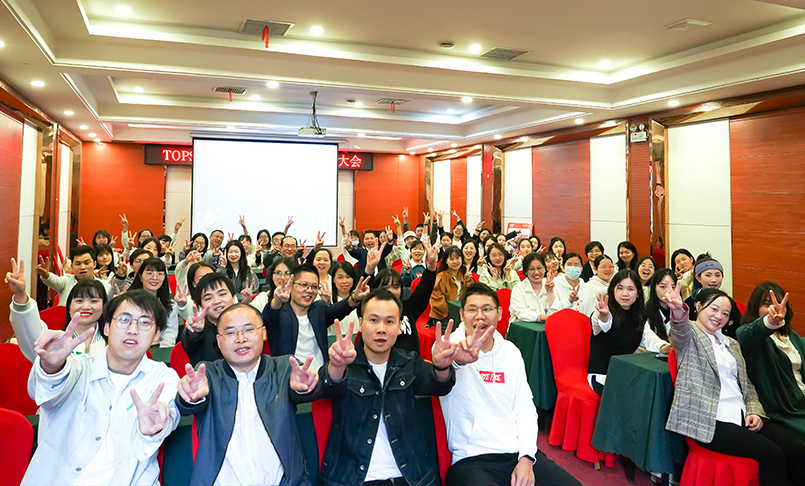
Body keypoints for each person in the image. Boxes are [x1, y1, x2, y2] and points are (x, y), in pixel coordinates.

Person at [22, 290, 180, 486]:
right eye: (124, 320)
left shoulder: (164, 378)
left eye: (145, 322)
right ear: (106, 328)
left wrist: (155, 427)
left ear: (157, 335)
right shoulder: (78, 367)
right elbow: (48, 390)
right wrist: (52, 366)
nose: (133, 329)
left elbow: (168, 411)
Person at [317, 289, 467, 486]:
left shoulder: (409, 362)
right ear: (360, 323)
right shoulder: (345, 364)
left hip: (410, 476)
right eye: (373, 320)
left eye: (389, 321)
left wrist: (441, 366)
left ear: (399, 326)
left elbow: (439, 385)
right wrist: (336, 366)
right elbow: (327, 385)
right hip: (355, 478)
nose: (381, 329)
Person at [441, 283, 582, 486]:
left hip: (515, 453)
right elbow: (442, 367)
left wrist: (526, 458)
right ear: (462, 314)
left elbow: (525, 408)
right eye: (472, 309)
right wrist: (456, 360)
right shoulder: (451, 346)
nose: (480, 315)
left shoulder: (511, 351)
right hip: (472, 459)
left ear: (499, 313)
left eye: (487, 309)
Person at [666, 287, 805, 486]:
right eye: (713, 309)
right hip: (710, 419)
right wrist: (678, 309)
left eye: (725, 313)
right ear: (697, 307)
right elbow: (680, 328)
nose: (719, 316)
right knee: (772, 455)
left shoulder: (731, 343)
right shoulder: (691, 339)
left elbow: (746, 384)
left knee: (796, 449)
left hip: (741, 415)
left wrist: (754, 411)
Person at [175, 303, 321, 486]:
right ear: (219, 341)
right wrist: (189, 397)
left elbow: (307, 391)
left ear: (264, 333)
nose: (241, 338)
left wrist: (304, 387)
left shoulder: (284, 367)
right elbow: (185, 404)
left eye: (249, 329)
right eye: (230, 333)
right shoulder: (208, 374)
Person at [262, 266, 370, 370]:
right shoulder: (279, 313)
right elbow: (269, 316)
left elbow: (340, 309)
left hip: (321, 378)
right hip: (288, 379)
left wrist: (355, 297)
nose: (309, 290)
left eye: (314, 287)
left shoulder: (318, 309)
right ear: (291, 286)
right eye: (304, 285)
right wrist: (277, 300)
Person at [7, 259, 109, 361]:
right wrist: (20, 295)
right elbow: (31, 335)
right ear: (69, 307)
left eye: (94, 301)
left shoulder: (113, 342)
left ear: (104, 307)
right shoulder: (55, 342)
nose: (86, 306)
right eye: (79, 301)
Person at [738, 282, 805, 438]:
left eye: (779, 304)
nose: (774, 308)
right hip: (783, 411)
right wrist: (770, 321)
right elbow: (745, 335)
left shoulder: (792, 337)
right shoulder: (754, 337)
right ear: (756, 307)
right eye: (766, 304)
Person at [588, 270, 669, 394]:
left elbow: (649, 338)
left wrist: (665, 347)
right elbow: (602, 324)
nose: (625, 293)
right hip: (602, 376)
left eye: (630, 289)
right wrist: (603, 315)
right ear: (612, 290)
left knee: (654, 389)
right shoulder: (602, 312)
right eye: (620, 288)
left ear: (638, 293)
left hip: (626, 372)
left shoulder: (640, 316)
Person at [368, 242, 440, 353]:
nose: (391, 291)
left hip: (410, 365)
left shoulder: (408, 308)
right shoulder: (370, 312)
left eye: (395, 287)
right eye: (385, 287)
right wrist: (370, 269)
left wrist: (431, 266)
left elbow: (424, 290)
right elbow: (364, 290)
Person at [130, 257, 189, 348]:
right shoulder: (129, 301)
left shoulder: (170, 302)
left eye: (160, 274)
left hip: (158, 349)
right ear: (140, 277)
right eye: (149, 273)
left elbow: (170, 334)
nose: (155, 277)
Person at [182, 273, 238, 365]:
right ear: (200, 306)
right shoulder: (200, 330)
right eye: (208, 298)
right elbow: (190, 339)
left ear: (233, 297)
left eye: (222, 294)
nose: (217, 301)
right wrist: (195, 332)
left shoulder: (245, 324)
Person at [684, 255, 742, 336]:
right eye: (708, 275)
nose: (714, 280)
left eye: (717, 275)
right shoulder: (689, 303)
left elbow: (738, 329)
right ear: (698, 278)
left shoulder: (728, 302)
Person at [36, 244, 112, 304]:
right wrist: (45, 274)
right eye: (78, 264)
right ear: (72, 266)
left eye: (87, 263)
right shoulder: (66, 281)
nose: (82, 267)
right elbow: (55, 281)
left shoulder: (104, 286)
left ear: (94, 264)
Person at [429, 245, 476, 329]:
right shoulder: (441, 277)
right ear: (446, 261)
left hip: (462, 315)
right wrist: (453, 314)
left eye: (457, 258)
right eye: (451, 259)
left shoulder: (463, 275)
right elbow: (437, 301)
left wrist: (468, 281)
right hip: (444, 317)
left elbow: (472, 296)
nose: (455, 261)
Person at [509, 252, 557, 323]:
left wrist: (550, 293)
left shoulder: (551, 285)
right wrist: (542, 316)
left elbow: (555, 311)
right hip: (522, 330)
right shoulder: (518, 288)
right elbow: (521, 313)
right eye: (531, 269)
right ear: (525, 271)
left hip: (546, 328)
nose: (536, 272)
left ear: (544, 268)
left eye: (539, 268)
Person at [553, 252, 596, 317]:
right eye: (569, 264)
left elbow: (592, 312)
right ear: (563, 268)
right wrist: (569, 301)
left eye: (576, 264)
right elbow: (553, 310)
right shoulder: (555, 285)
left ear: (581, 268)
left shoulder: (587, 288)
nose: (573, 267)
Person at [644, 268, 677, 342]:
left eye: (673, 287)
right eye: (663, 287)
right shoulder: (645, 311)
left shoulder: (682, 310)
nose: (668, 291)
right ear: (654, 289)